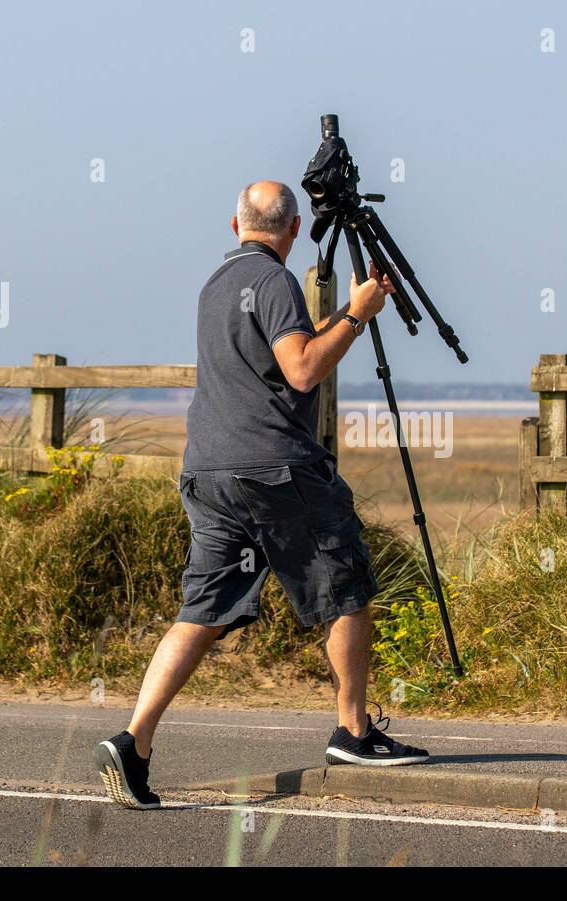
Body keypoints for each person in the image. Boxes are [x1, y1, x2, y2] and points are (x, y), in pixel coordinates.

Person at [94, 181, 430, 809]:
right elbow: (302, 368)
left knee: (202, 610)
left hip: (209, 471)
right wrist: (357, 315)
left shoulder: (214, 286)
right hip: (274, 466)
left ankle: (133, 742)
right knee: (346, 582)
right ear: (295, 230)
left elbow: (280, 359)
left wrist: (339, 316)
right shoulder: (275, 283)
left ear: (235, 224)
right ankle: (354, 731)